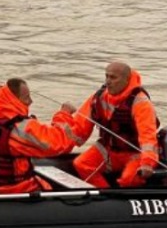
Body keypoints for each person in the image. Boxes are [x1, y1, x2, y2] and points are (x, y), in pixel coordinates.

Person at [0, 78, 81, 193]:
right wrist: (64, 114)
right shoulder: (22, 128)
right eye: (26, 97)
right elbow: (58, 144)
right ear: (14, 100)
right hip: (13, 189)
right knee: (46, 187)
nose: (31, 101)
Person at [64, 60, 161, 188]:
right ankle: (104, 195)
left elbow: (147, 137)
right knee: (81, 164)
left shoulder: (140, 102)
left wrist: (147, 163)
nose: (108, 81)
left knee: (129, 180)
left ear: (126, 80)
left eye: (113, 77)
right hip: (110, 149)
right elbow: (81, 129)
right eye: (107, 76)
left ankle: (121, 201)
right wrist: (69, 134)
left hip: (135, 152)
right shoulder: (98, 98)